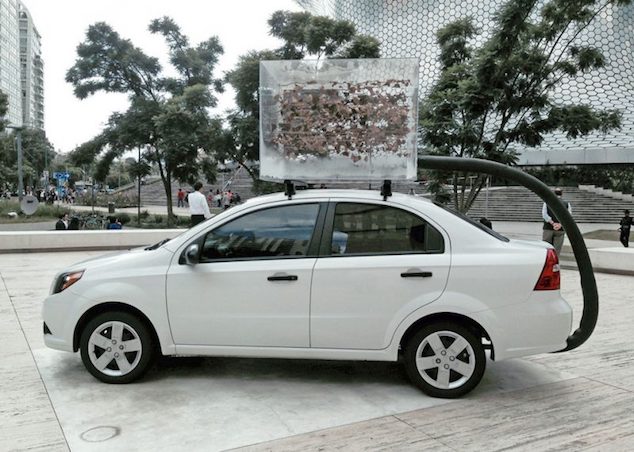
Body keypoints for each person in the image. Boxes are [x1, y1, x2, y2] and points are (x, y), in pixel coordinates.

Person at [542, 187, 572, 256]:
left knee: (546, 247)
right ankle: (555, 263)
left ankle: (546, 261)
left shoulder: (547, 202)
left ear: (553, 194)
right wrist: (560, 224)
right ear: (562, 194)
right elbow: (568, 216)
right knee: (557, 248)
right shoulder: (567, 204)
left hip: (548, 227)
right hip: (560, 229)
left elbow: (544, 214)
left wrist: (553, 223)